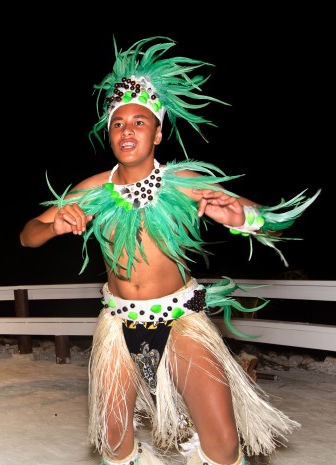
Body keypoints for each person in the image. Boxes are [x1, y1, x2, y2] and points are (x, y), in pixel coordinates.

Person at [20, 37, 320, 465]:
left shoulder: (184, 180)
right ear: (109, 132)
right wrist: (53, 225)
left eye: (139, 122)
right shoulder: (90, 191)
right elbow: (28, 235)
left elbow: (264, 216)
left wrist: (242, 217)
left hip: (181, 319)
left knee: (223, 444)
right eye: (119, 123)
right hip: (118, 326)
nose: (127, 130)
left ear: (158, 131)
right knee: (115, 445)